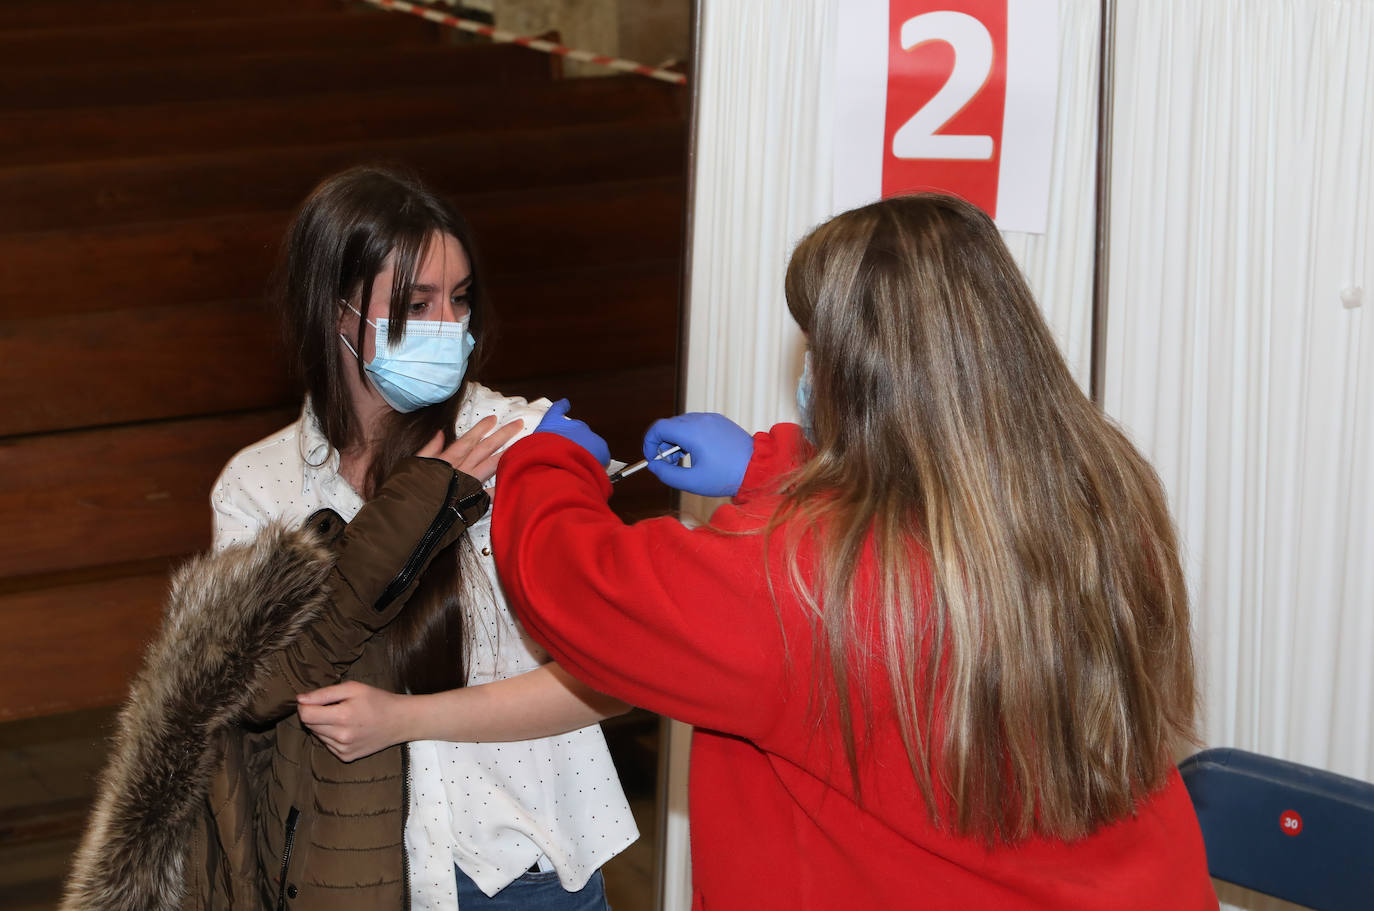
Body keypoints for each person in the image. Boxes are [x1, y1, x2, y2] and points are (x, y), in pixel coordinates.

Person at [491, 194, 1217, 909]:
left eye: (817, 348)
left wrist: (548, 465)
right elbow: (932, 508)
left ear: (859, 375)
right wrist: (767, 464)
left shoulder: (800, 581)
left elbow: (580, 593)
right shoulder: (1100, 489)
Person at [208, 165, 637, 910]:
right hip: (343, 877)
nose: (449, 326)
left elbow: (612, 677)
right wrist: (403, 519)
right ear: (337, 310)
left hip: (522, 874)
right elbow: (247, 688)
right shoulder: (260, 484)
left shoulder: (520, 442)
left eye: (460, 298)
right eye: (416, 303)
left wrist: (406, 719)